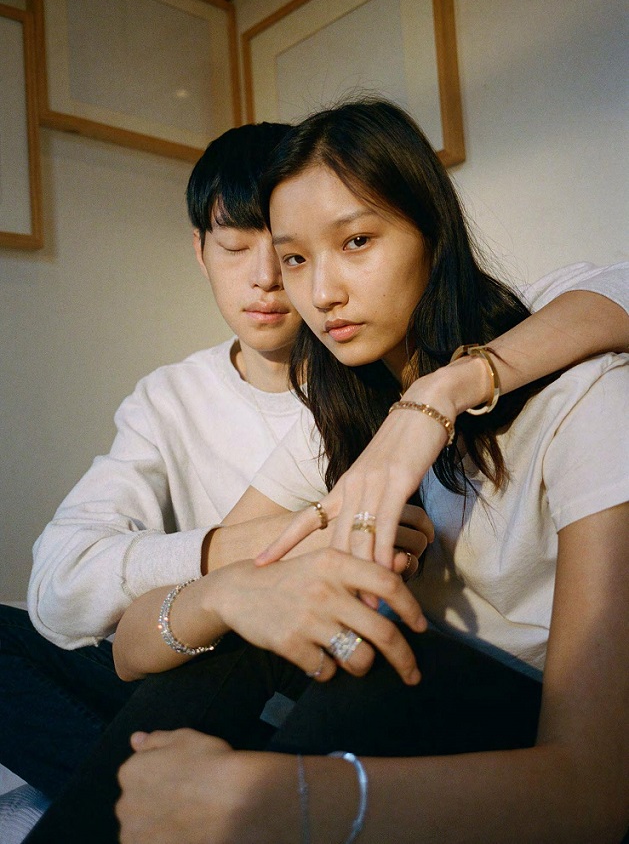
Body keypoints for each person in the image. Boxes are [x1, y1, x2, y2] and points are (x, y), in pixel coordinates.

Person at [110, 100, 628, 844]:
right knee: (244, 641)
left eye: (356, 241)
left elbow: (598, 791)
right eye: (296, 259)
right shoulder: (338, 415)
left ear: (431, 233)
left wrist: (281, 798)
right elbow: (130, 650)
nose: (320, 293)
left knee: (361, 674)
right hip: (415, 707)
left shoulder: (584, 398)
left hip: (528, 743)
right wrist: (233, 591)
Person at [0, 121, 310, 799]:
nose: (264, 278)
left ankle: (168, 806)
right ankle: (165, 806)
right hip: (192, 650)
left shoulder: (365, 381)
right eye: (235, 247)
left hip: (300, 681)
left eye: (288, 250)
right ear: (201, 252)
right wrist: (227, 552)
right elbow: (60, 584)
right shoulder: (171, 395)